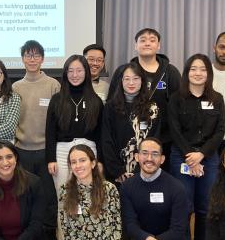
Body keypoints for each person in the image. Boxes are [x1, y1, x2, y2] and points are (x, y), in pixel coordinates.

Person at [168, 53, 225, 240]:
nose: (198, 73)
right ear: (187, 72)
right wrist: (190, 156)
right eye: (193, 69)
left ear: (208, 74)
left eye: (202, 69)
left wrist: (201, 155)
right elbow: (174, 130)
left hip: (208, 158)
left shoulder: (217, 98)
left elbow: (220, 131)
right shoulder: (176, 98)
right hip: (181, 157)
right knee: (184, 207)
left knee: (205, 207)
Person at [49, 144, 121, 240]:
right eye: (73, 162)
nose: (78, 165)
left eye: (82, 160)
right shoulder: (65, 191)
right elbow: (67, 231)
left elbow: (115, 232)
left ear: (93, 163)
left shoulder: (109, 189)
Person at [121, 137, 189, 240]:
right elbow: (130, 224)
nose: (149, 158)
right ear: (137, 157)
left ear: (162, 159)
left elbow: (178, 230)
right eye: (144, 153)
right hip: (142, 239)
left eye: (154, 154)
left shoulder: (176, 187)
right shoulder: (127, 186)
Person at [12, 40, 61, 240]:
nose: (32, 59)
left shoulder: (53, 85)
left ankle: (49, 234)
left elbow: (58, 120)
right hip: (22, 150)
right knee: (25, 195)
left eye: (36, 55)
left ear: (42, 58)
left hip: (46, 151)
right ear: (22, 58)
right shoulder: (15, 87)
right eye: (28, 55)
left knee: (49, 195)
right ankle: (29, 236)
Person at [109, 28, 181, 169]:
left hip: (162, 140)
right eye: (142, 40)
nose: (147, 43)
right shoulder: (123, 71)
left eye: (152, 40)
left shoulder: (170, 72)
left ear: (159, 45)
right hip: (128, 139)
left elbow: (178, 106)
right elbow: (113, 103)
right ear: (135, 45)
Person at [46, 55, 103, 195]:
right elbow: (50, 131)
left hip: (89, 151)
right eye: (70, 71)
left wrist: (100, 161)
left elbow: (101, 134)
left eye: (79, 70)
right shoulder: (57, 99)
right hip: (62, 152)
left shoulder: (96, 101)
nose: (74, 75)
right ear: (65, 73)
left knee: (88, 194)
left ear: (86, 72)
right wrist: (51, 159)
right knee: (63, 195)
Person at [102, 62, 161, 184]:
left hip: (146, 171)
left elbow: (155, 140)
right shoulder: (110, 107)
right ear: (121, 81)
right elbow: (106, 141)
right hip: (117, 174)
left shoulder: (152, 108)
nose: (131, 83)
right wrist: (118, 171)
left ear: (142, 81)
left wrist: (140, 171)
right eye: (127, 79)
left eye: (135, 78)